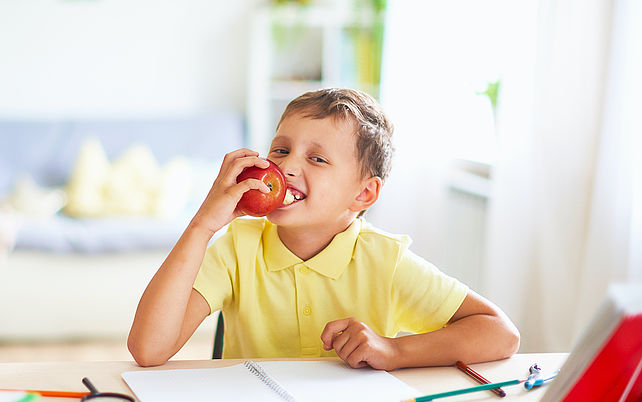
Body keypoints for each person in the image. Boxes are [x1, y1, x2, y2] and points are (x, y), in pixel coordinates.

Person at [128, 88, 519, 370]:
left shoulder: (385, 259)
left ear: (364, 194)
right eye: (280, 150)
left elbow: (500, 333)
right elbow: (148, 350)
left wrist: (394, 351)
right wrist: (202, 225)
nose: (287, 167)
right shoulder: (236, 248)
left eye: (317, 158)